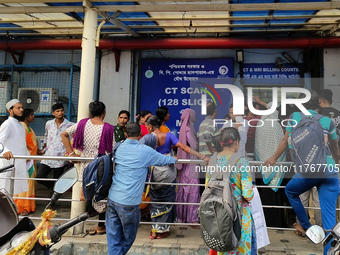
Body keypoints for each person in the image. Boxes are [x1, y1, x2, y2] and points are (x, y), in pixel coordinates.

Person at [265, 90, 340, 255]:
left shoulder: (294, 117)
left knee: (291, 190)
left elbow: (285, 140)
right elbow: (335, 148)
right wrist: (336, 162)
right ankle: (330, 252)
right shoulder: (327, 121)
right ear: (318, 104)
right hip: (328, 170)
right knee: (329, 219)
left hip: (308, 170)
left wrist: (274, 158)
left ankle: (306, 227)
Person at [106, 122, 177, 255]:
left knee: (113, 239)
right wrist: (174, 159)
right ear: (140, 135)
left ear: (125, 134)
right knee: (128, 239)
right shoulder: (146, 151)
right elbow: (166, 161)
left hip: (112, 199)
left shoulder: (118, 147)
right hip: (129, 203)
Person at [140, 115, 209, 239]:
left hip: (154, 173)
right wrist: (203, 157)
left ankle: (154, 230)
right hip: (168, 174)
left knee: (155, 200)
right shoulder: (169, 136)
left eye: (146, 126)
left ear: (150, 126)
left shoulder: (147, 138)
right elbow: (184, 148)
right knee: (167, 200)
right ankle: (163, 230)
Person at [61, 100, 115, 235]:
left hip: (86, 164)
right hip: (102, 164)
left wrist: (72, 153)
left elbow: (64, 134)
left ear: (90, 113)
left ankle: (91, 217)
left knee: (88, 191)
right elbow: (113, 148)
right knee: (103, 193)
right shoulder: (108, 128)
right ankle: (100, 225)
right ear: (104, 113)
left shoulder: (82, 124)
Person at [208, 127, 256, 255]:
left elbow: (207, 188)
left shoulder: (212, 161)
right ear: (236, 142)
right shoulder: (242, 162)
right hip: (239, 217)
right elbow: (248, 194)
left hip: (217, 216)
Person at [0, 99, 32, 212]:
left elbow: (21, 144)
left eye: (21, 107)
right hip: (7, 164)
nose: (21, 110)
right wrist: (5, 151)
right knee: (5, 191)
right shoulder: (8, 124)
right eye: (18, 108)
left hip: (17, 163)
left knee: (12, 192)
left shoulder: (19, 125)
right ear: (10, 110)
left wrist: (27, 155)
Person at [36, 103, 74, 191]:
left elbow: (73, 140)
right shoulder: (48, 124)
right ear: (53, 113)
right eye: (58, 111)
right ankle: (53, 187)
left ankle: (53, 199)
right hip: (49, 155)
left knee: (57, 178)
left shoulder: (70, 125)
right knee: (39, 177)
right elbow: (46, 136)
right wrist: (44, 148)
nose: (60, 113)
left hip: (61, 157)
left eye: (62, 110)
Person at [175, 108, 200, 226]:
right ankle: (192, 218)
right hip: (191, 163)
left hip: (185, 165)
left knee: (184, 191)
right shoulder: (189, 130)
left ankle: (182, 217)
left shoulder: (183, 129)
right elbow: (194, 145)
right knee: (193, 190)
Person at [16, 109, 39, 215]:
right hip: (25, 160)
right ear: (26, 117)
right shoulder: (21, 127)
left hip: (30, 160)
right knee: (24, 184)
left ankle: (27, 206)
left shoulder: (28, 128)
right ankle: (22, 207)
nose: (33, 116)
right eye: (31, 115)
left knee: (29, 184)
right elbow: (20, 143)